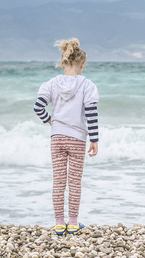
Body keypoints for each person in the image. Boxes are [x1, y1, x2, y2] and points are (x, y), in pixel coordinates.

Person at [34, 38, 99, 236]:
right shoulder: (87, 85)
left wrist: (50, 121)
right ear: (83, 64)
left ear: (63, 64)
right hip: (77, 139)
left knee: (58, 181)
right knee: (74, 182)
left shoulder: (52, 84)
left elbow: (38, 107)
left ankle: (59, 224)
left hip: (57, 138)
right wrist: (94, 139)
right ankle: (73, 223)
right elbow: (91, 115)